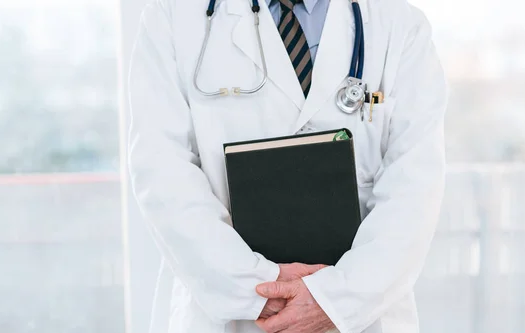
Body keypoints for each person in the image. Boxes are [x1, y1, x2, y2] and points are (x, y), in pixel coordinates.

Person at [127, 0, 448, 332]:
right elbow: (162, 173)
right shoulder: (173, 15)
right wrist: (258, 288)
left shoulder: (399, 25)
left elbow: (414, 191)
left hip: (359, 316)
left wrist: (332, 299)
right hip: (229, 315)